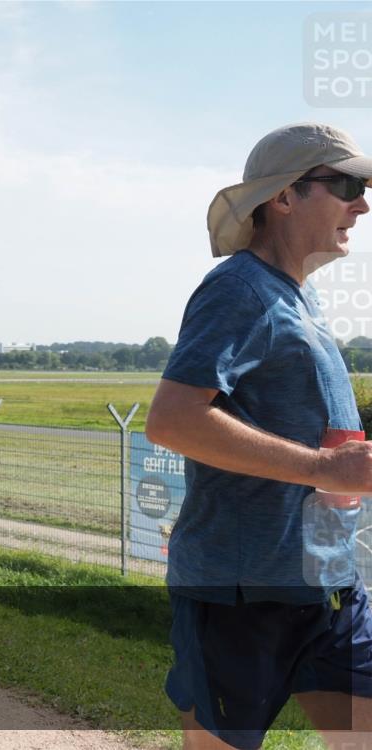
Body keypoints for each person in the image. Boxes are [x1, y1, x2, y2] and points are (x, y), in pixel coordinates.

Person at [146, 123, 372, 750]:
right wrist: (326, 470)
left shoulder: (300, 299)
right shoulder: (239, 289)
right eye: (347, 186)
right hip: (242, 592)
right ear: (284, 197)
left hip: (328, 586)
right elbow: (173, 419)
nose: (364, 205)